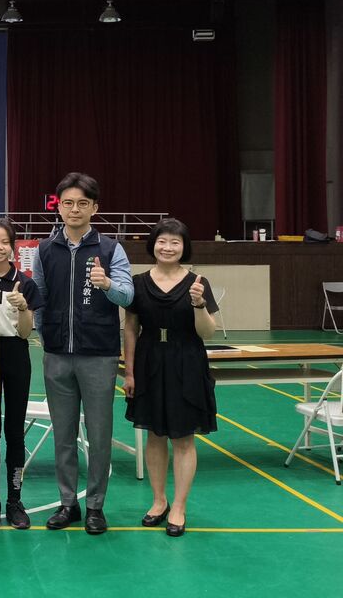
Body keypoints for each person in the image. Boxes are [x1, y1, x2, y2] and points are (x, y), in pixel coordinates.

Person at [32, 173, 133, 535]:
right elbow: (39, 297)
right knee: (63, 434)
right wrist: (45, 335)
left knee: (99, 434)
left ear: (94, 208)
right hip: (57, 355)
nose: (74, 209)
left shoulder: (111, 249)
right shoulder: (44, 250)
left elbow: (127, 296)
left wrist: (107, 285)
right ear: (58, 207)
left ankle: (95, 506)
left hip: (99, 355)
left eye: (82, 203)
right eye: (68, 203)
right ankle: (67, 503)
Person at [123, 218, 218, 537]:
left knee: (184, 437)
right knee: (154, 434)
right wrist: (130, 371)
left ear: (184, 247)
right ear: (153, 245)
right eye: (162, 241)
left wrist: (199, 304)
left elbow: (207, 332)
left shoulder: (198, 282)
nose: (168, 247)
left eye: (175, 242)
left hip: (186, 360)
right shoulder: (137, 283)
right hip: (149, 360)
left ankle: (179, 505)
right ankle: (159, 500)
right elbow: (130, 328)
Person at [0, 219, 42, 529]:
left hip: (16, 356)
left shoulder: (25, 283)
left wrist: (24, 307)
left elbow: (26, 333)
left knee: (15, 432)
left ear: (13, 247)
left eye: (4, 242)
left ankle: (15, 499)